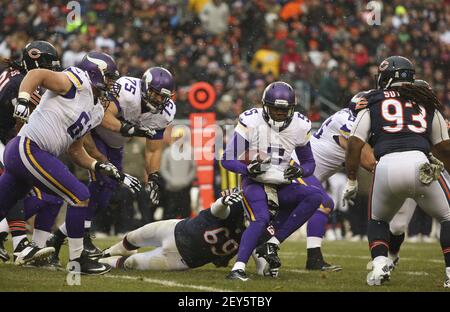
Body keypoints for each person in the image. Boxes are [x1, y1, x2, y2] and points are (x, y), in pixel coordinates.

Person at [0, 51, 140, 274]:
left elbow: (75, 148)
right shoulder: (78, 80)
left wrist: (96, 165)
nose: (113, 84)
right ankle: (78, 260)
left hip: (27, 154)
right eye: (110, 77)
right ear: (96, 72)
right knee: (80, 195)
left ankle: (37, 249)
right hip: (28, 147)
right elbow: (37, 74)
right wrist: (24, 99)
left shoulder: (95, 110)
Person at [46, 66, 175, 263]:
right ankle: (83, 237)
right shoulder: (125, 89)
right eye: (154, 93)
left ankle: (58, 236)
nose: (157, 100)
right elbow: (102, 117)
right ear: (143, 86)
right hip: (92, 134)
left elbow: (153, 149)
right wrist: (132, 130)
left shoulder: (165, 112)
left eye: (161, 97)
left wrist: (154, 176)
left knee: (108, 191)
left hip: (115, 144)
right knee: (100, 181)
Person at [344, 56, 450, 287]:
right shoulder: (427, 101)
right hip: (421, 164)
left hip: (386, 167)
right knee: (448, 217)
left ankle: (380, 264)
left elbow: (354, 143)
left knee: (378, 219)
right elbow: (443, 147)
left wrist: (351, 179)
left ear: (387, 77)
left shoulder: (371, 101)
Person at [221, 81, 323, 281]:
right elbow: (227, 159)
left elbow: (310, 163)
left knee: (315, 196)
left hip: (282, 183)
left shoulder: (300, 125)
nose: (279, 114)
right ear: (265, 106)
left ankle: (272, 243)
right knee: (261, 218)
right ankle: (238, 268)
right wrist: (247, 169)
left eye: (284, 110)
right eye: (275, 109)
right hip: (256, 182)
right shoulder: (251, 120)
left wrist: (300, 171)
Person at [292, 93, 376, 271]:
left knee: (278, 216)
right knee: (324, 203)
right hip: (297, 168)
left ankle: (267, 248)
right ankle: (313, 259)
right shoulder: (347, 121)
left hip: (307, 173)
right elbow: (369, 162)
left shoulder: (347, 117)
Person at [0, 41, 63, 264]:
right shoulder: (19, 82)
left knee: (25, 191)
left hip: (6, 139)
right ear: (34, 59)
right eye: (47, 63)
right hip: (4, 139)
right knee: (17, 185)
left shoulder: (17, 76)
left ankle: (16, 242)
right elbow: (15, 123)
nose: (51, 68)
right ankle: (19, 244)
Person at [99, 191, 246, 271]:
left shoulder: (257, 232)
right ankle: (108, 251)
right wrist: (223, 201)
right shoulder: (238, 206)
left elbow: (220, 262)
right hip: (176, 228)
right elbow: (217, 211)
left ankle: (100, 261)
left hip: (181, 259)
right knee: (133, 237)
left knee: (132, 263)